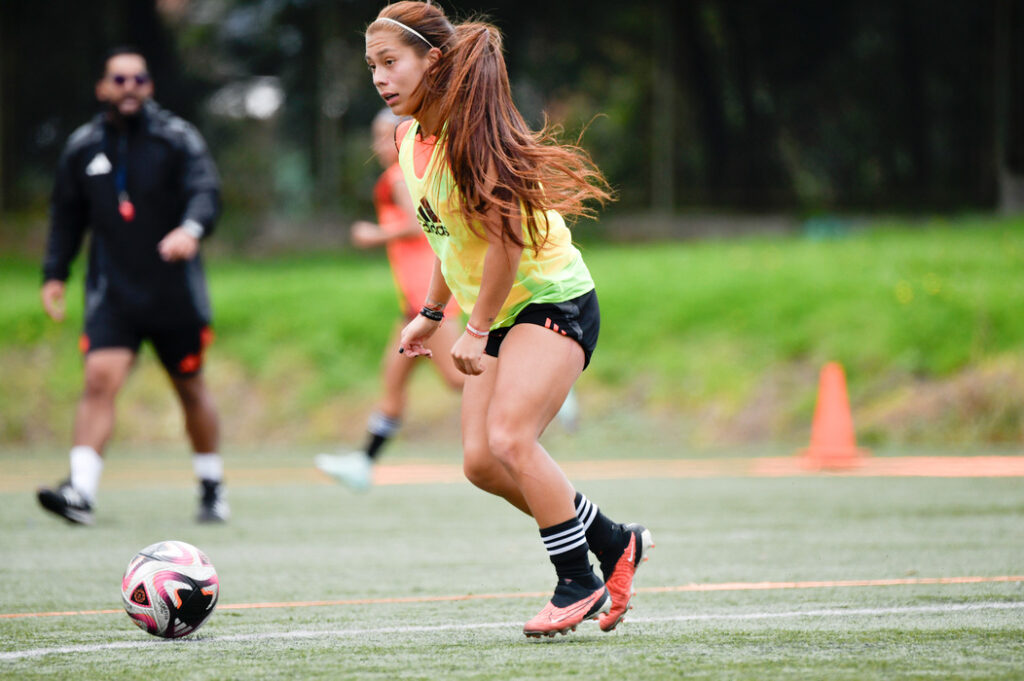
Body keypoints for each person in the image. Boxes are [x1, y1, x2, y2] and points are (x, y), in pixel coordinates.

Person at [363, 2, 653, 638]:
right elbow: (444, 237)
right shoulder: (408, 139)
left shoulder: (473, 139)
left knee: (511, 438)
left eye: (392, 62)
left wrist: (472, 328)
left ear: (431, 61)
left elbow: (505, 244)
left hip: (552, 299)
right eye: (373, 67)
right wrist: (431, 313)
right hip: (498, 312)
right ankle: (614, 541)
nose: (381, 78)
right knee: (481, 462)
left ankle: (577, 578)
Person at [36, 46, 228, 525]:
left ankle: (211, 486)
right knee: (99, 380)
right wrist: (54, 273)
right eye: (118, 80)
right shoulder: (83, 146)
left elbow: (206, 191)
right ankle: (80, 491)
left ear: (150, 87)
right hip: (113, 292)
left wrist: (190, 230)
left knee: (190, 389)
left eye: (138, 79)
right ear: (103, 87)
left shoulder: (177, 138)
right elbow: (65, 216)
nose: (129, 88)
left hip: (174, 294)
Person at [315, 108, 465, 491]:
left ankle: (539, 388)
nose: (380, 144)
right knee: (393, 380)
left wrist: (373, 235)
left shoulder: (399, 176)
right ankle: (364, 463)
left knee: (458, 379)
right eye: (377, 136)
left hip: (427, 301)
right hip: (413, 302)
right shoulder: (407, 175)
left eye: (387, 136)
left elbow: (419, 225)